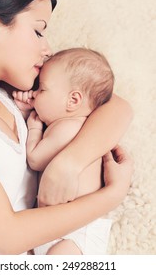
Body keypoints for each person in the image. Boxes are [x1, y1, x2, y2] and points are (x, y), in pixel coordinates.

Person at [0, 0, 133, 255]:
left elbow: (116, 106)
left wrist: (68, 163)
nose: (47, 49)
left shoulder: (19, 98)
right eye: (38, 31)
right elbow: (8, 236)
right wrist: (111, 196)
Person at [13, 47, 118, 254]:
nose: (34, 94)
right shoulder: (76, 126)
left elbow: (35, 159)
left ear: (73, 100)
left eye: (42, 89)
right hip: (64, 230)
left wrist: (32, 124)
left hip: (73, 234)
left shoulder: (68, 128)